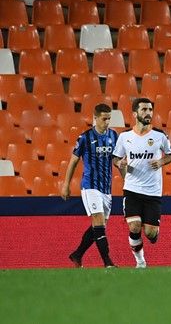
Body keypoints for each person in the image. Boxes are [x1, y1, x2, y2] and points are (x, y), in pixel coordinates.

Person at [112, 97, 171, 269]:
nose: (148, 113)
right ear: (135, 113)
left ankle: (153, 234)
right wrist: (120, 165)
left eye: (150, 110)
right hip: (131, 189)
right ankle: (140, 262)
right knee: (134, 226)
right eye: (144, 110)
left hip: (153, 191)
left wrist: (161, 162)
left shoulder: (159, 136)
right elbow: (117, 159)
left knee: (150, 233)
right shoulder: (125, 137)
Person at [61, 103, 118, 268]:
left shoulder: (114, 136)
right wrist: (66, 184)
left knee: (98, 227)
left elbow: (115, 159)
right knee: (99, 222)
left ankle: (77, 254)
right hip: (90, 186)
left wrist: (124, 173)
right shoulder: (85, 137)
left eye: (109, 119)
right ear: (95, 118)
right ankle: (108, 263)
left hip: (106, 188)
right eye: (104, 119)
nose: (107, 122)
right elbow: (73, 161)